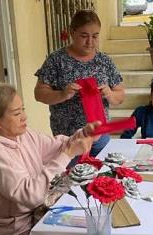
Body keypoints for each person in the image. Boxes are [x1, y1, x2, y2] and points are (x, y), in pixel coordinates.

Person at [0, 82, 98, 235]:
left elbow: (58, 146)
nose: (24, 116)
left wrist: (84, 134)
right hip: (20, 234)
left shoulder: (22, 134)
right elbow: (31, 196)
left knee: (96, 222)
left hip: (40, 215)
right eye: (16, 113)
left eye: (23, 109)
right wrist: (69, 154)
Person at [34, 9, 124, 156]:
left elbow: (120, 95)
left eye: (95, 36)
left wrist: (109, 94)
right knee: (72, 178)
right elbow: (39, 93)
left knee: (104, 176)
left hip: (99, 136)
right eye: (84, 36)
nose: (90, 42)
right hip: (68, 139)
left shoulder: (104, 60)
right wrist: (62, 94)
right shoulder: (56, 60)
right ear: (72, 32)